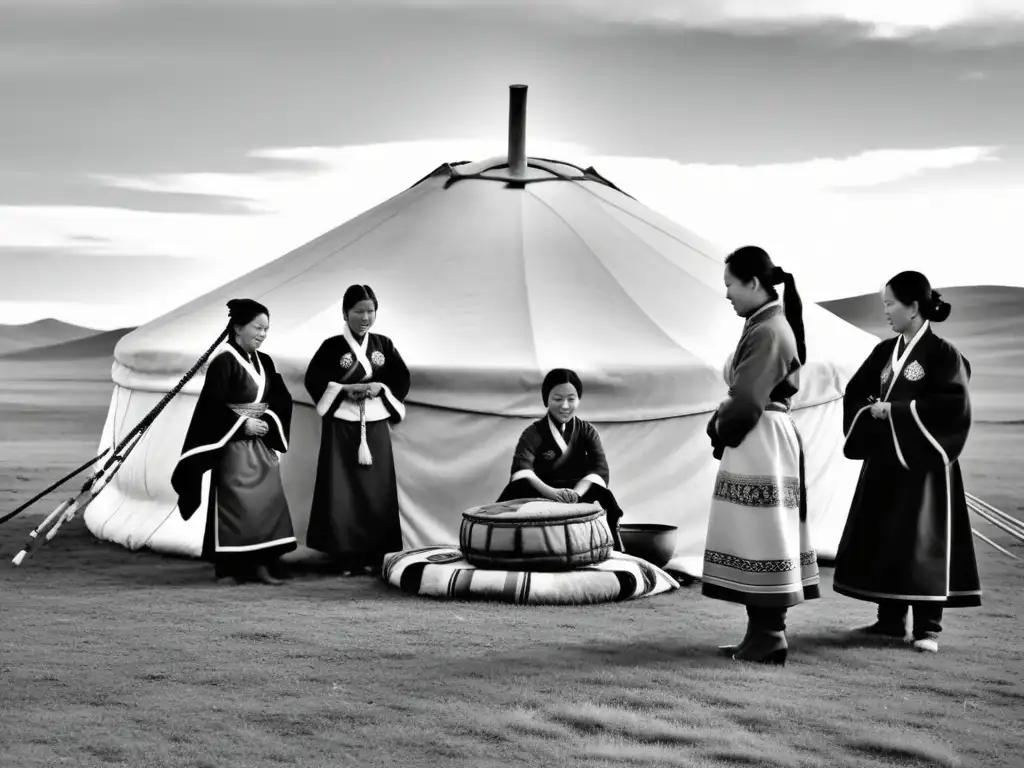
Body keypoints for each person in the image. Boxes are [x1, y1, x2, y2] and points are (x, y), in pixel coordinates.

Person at [833, 271, 981, 653]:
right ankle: (889, 621)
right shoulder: (886, 351)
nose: (885, 311)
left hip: (926, 464)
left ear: (913, 307)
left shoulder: (943, 354)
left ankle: (928, 627)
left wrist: (894, 411)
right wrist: (869, 413)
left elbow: (952, 406)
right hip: (887, 462)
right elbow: (857, 390)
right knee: (888, 537)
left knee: (923, 540)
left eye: (890, 304)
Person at [703, 246, 819, 666]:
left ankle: (770, 636)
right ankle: (760, 634)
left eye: (731, 284)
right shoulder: (765, 323)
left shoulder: (769, 329)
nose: (728, 293)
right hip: (762, 438)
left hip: (762, 436)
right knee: (760, 532)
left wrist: (718, 425)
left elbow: (747, 398)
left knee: (765, 533)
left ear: (753, 282)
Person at [171, 298, 296, 586]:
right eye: (258, 328)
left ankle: (263, 563)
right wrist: (242, 424)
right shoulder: (223, 361)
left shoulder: (265, 361)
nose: (263, 334)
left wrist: (269, 422)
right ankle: (231, 567)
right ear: (238, 327)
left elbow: (280, 398)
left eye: (267, 329)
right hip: (233, 446)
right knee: (238, 503)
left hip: (261, 445)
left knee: (268, 502)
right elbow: (210, 407)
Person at [304, 284, 411, 575]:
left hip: (374, 425)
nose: (366, 317)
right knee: (341, 489)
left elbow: (401, 379)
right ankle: (344, 556)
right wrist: (344, 389)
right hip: (341, 424)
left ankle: (376, 554)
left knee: (376, 489)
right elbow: (314, 379)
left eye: (371, 311)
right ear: (345, 312)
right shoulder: (331, 346)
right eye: (359, 311)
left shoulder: (383, 345)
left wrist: (380, 387)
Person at [496, 368, 625, 551]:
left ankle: (611, 546)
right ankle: (501, 542)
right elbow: (522, 469)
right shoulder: (533, 432)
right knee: (516, 488)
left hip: (577, 493)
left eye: (571, 399)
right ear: (546, 400)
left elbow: (599, 469)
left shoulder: (586, 431)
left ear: (578, 400)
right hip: (541, 491)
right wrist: (552, 492)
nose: (565, 405)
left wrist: (576, 494)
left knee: (604, 494)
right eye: (557, 399)